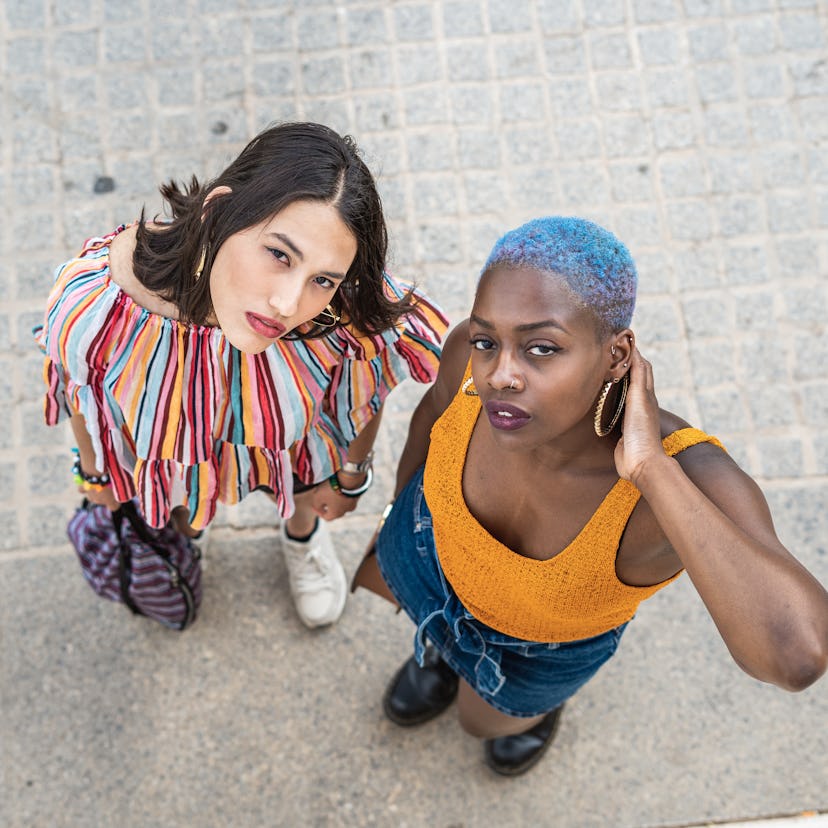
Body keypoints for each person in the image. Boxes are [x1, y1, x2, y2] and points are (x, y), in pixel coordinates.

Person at [353, 216, 828, 776]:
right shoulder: (467, 357)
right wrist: (398, 514)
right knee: (430, 642)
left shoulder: (685, 475)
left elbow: (795, 656)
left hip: (534, 650)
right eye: (488, 339)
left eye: (542, 348)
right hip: (433, 567)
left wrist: (652, 470)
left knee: (480, 721)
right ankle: (441, 654)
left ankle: (536, 713)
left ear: (617, 355)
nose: (500, 375)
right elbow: (431, 420)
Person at [35, 121, 447, 628]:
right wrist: (94, 474)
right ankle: (188, 527)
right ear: (217, 211)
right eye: (279, 254)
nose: (288, 304)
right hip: (181, 455)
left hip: (291, 448)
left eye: (322, 278)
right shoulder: (101, 310)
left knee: (302, 468)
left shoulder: (333, 311)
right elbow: (83, 393)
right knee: (176, 474)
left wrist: (350, 477)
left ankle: (301, 535)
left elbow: (362, 385)